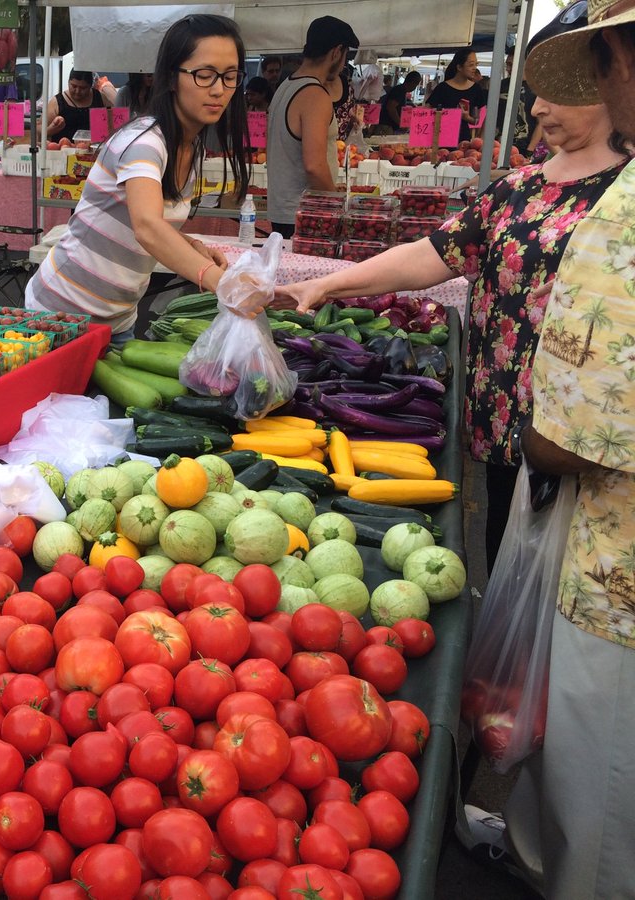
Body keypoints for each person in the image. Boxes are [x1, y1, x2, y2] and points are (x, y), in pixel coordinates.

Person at [274, 13, 628, 574]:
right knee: (504, 561)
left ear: (606, 85)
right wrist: (323, 284)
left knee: (574, 574)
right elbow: (428, 256)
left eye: (554, 96)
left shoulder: (623, 192)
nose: (536, 110)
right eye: (534, 96)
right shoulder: (520, 187)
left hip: (585, 439)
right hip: (503, 415)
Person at [477, 2, 635, 896]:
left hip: (614, 545)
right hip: (581, 518)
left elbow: (599, 406)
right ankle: (541, 852)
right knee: (578, 742)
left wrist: (546, 445)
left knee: (605, 766)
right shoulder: (550, 183)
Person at [24, 14, 251, 343]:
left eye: (230, 77)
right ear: (172, 78)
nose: (219, 90)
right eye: (205, 75)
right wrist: (222, 282)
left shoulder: (191, 147)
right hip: (58, 316)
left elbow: (142, 227)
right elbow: (146, 226)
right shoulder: (144, 141)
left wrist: (191, 246)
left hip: (118, 321)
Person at [265, 15, 359, 236]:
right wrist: (337, 207)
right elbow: (314, 166)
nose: (344, 63)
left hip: (284, 211)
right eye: (345, 56)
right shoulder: (315, 94)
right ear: (336, 52)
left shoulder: (285, 87)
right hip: (306, 215)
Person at [425, 48, 488, 143]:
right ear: (459, 67)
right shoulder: (443, 88)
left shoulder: (476, 89)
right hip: (441, 139)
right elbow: (427, 112)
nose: (475, 68)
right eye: (471, 65)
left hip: (464, 141)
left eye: (476, 64)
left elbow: (477, 121)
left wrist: (467, 118)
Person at [43, 70, 109, 144]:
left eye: (83, 88)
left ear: (90, 86)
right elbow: (39, 130)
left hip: (92, 150)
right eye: (74, 86)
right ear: (68, 82)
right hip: (63, 151)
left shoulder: (100, 98)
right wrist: (51, 129)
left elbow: (112, 123)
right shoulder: (57, 102)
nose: (77, 91)